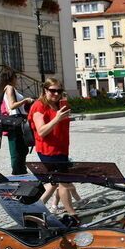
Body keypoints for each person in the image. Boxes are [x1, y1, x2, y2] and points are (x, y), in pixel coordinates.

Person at [28, 78, 78, 219]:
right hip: (48, 150)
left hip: (61, 149)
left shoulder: (58, 105)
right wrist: (57, 118)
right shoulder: (39, 106)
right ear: (45, 90)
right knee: (64, 182)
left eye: (59, 91)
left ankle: (37, 207)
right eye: (52, 90)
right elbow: (41, 131)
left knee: (55, 182)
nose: (56, 94)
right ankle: (72, 214)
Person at [0, 69, 34, 175]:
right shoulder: (9, 88)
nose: (17, 79)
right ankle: (17, 171)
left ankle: (20, 169)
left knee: (22, 147)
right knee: (16, 148)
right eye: (16, 77)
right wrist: (25, 100)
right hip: (15, 121)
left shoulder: (11, 88)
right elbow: (12, 105)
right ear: (12, 78)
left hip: (18, 120)